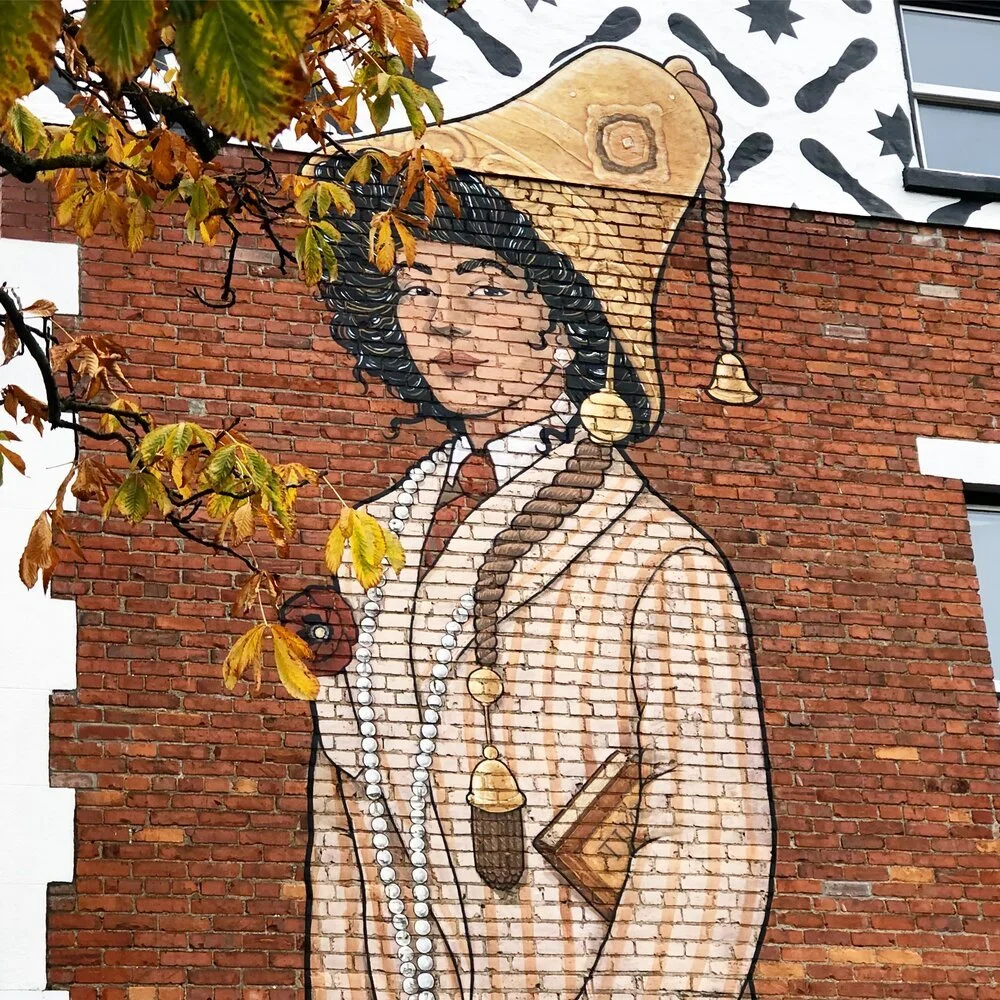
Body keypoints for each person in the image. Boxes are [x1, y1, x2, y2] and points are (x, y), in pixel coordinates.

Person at [293, 49, 773, 1000]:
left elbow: (707, 844)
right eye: (417, 289)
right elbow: (346, 843)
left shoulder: (662, 561)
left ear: (564, 326)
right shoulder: (371, 544)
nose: (442, 325)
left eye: (483, 286)